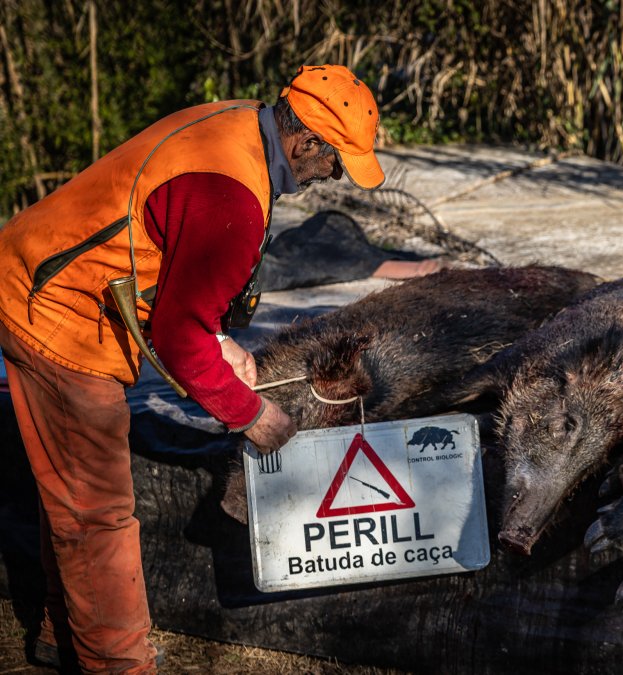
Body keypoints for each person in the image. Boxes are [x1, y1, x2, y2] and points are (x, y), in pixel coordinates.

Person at [0, 64, 384, 673]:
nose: (330, 177)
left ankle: (60, 630)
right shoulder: (230, 198)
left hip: (39, 272)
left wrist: (216, 338)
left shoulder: (236, 125)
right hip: (55, 311)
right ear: (307, 143)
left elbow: (173, 268)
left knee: (69, 490)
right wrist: (250, 414)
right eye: (335, 162)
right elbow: (178, 340)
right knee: (98, 507)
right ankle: (118, 661)